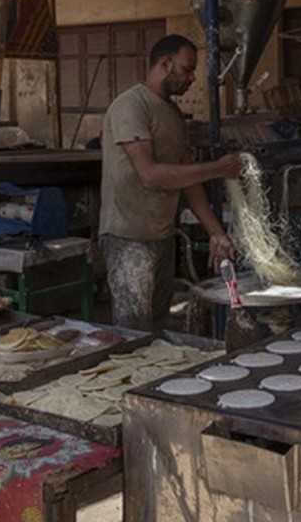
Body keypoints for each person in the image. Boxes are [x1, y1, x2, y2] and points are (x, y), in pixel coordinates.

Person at [100, 34, 242, 332]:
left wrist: (216, 233)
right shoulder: (131, 105)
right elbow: (150, 175)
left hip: (162, 236)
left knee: (158, 326)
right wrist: (217, 169)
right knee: (133, 328)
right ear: (165, 64)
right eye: (187, 69)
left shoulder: (174, 115)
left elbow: (189, 180)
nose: (192, 78)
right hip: (129, 237)